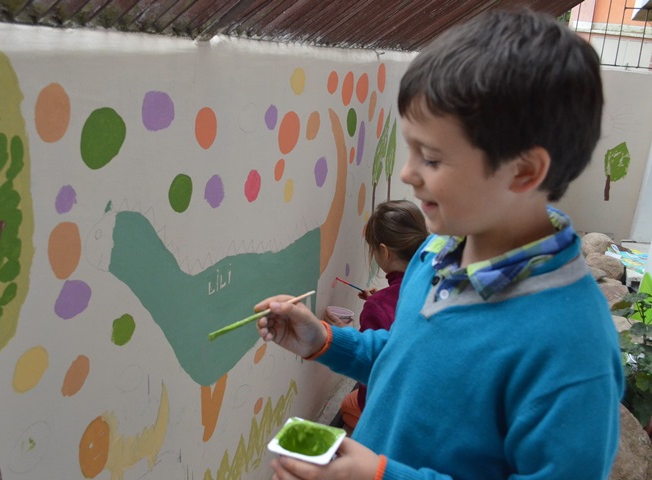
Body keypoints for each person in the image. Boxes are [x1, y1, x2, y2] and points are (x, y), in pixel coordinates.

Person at [255, 8, 624, 480]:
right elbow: (409, 360)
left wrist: (380, 475)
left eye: (430, 158)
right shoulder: (435, 253)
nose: (408, 173)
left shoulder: (573, 348)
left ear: (524, 171)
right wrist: (326, 342)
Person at [324, 199, 428, 431]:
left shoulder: (378, 306)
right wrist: (383, 299)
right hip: (429, 394)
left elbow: (370, 371)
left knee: (348, 406)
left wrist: (346, 334)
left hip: (397, 409)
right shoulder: (437, 279)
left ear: (384, 251)